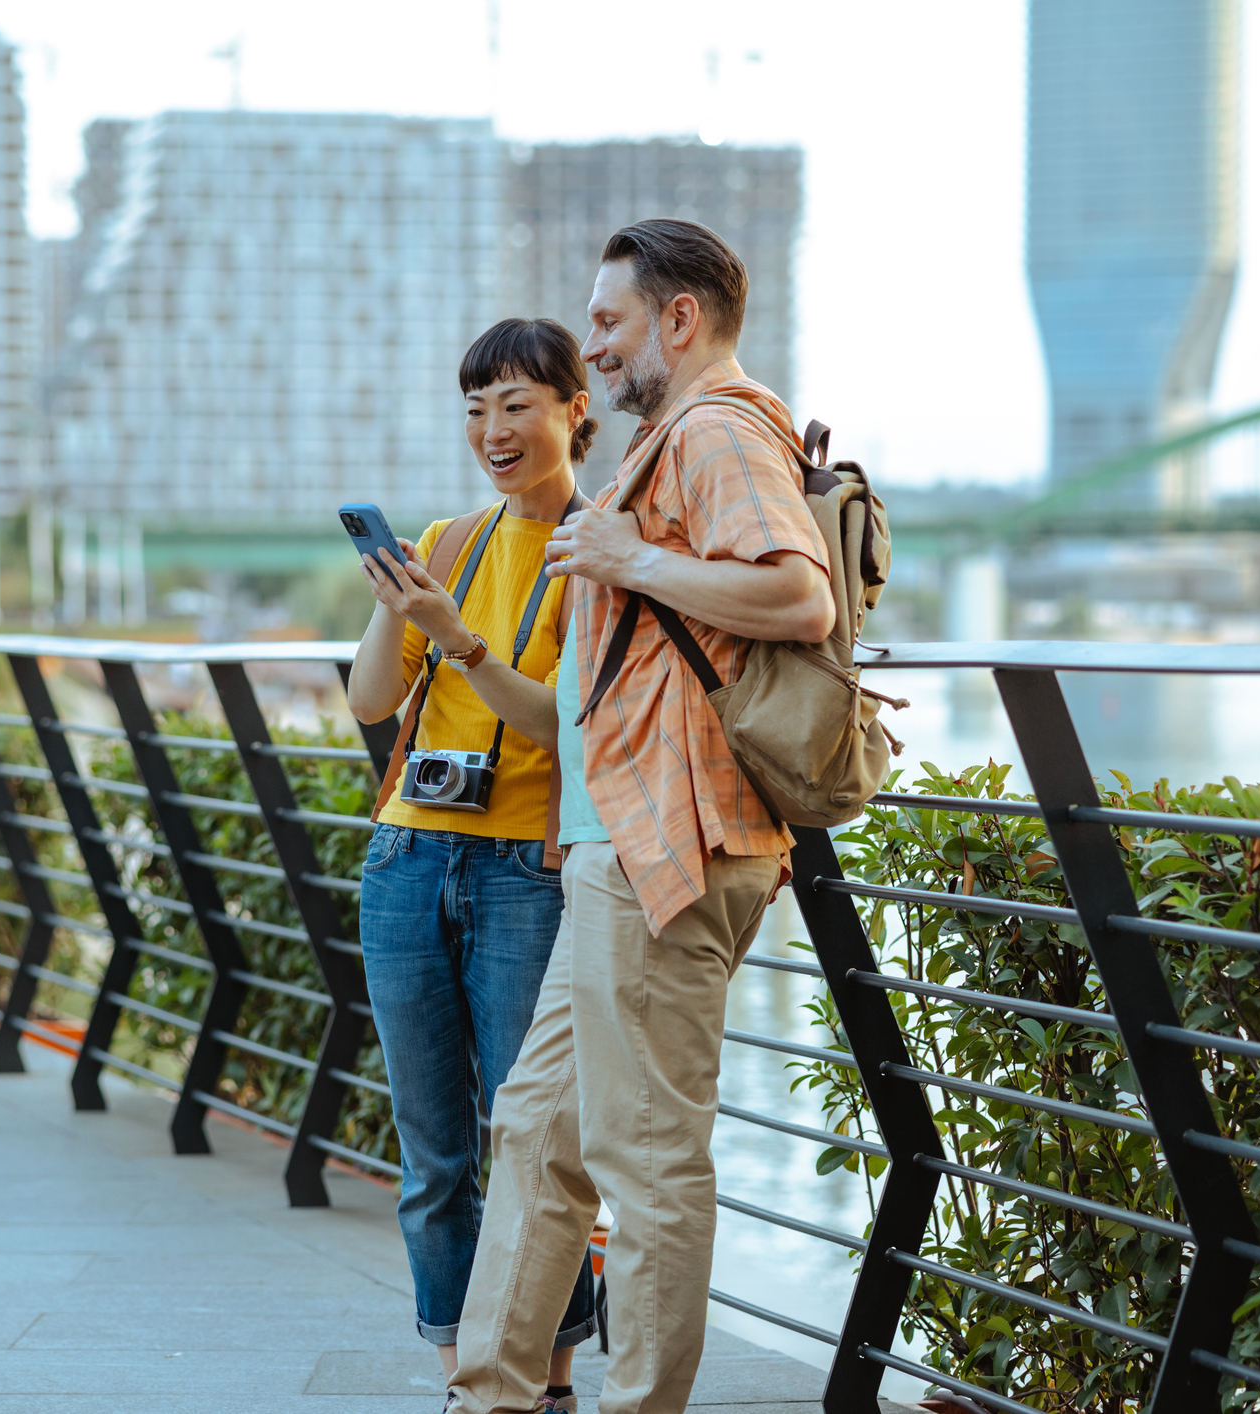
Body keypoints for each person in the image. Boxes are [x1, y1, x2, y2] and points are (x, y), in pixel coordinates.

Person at [449, 220, 834, 1414]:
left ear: (677, 319)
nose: (595, 346)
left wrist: (628, 558)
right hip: (622, 843)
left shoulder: (716, 428)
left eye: (608, 322)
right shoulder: (675, 436)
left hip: (669, 842)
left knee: (645, 1158)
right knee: (536, 1128)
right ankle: (489, 1394)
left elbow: (797, 594)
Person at [348, 318, 603, 1414]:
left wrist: (457, 643)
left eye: (514, 405)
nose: (490, 429)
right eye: (474, 407)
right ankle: (462, 1373)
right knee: (433, 1154)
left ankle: (543, 1375)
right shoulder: (449, 544)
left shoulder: (599, 548)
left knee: (533, 1143)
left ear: (571, 415)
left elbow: (564, 726)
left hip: (523, 869)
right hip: (407, 853)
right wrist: (393, 604)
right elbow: (366, 702)